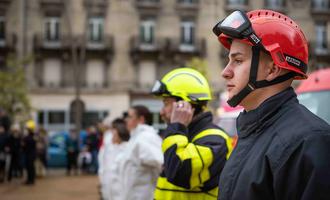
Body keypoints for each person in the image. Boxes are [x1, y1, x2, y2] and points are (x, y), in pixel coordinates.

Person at [212, 9, 330, 200]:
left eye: (238, 61)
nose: (225, 72)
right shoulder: (252, 130)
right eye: (229, 61)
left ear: (273, 69)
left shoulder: (309, 142)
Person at [151, 68, 233, 199]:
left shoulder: (215, 140)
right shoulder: (184, 136)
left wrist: (177, 126)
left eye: (166, 103)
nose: (161, 112)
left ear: (184, 105)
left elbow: (178, 172)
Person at [119, 105, 163, 200]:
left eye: (130, 117)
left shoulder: (145, 137)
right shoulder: (136, 137)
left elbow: (160, 163)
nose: (126, 120)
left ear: (141, 119)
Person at [99, 118, 130, 200]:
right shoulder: (112, 148)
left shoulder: (127, 151)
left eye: (114, 135)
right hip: (110, 191)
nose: (111, 137)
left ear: (120, 136)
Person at [22, 120, 37, 185]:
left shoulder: (29, 137)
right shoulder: (33, 136)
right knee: (30, 167)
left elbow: (24, 144)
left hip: (30, 154)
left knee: (30, 167)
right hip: (31, 154)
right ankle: (30, 180)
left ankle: (30, 180)